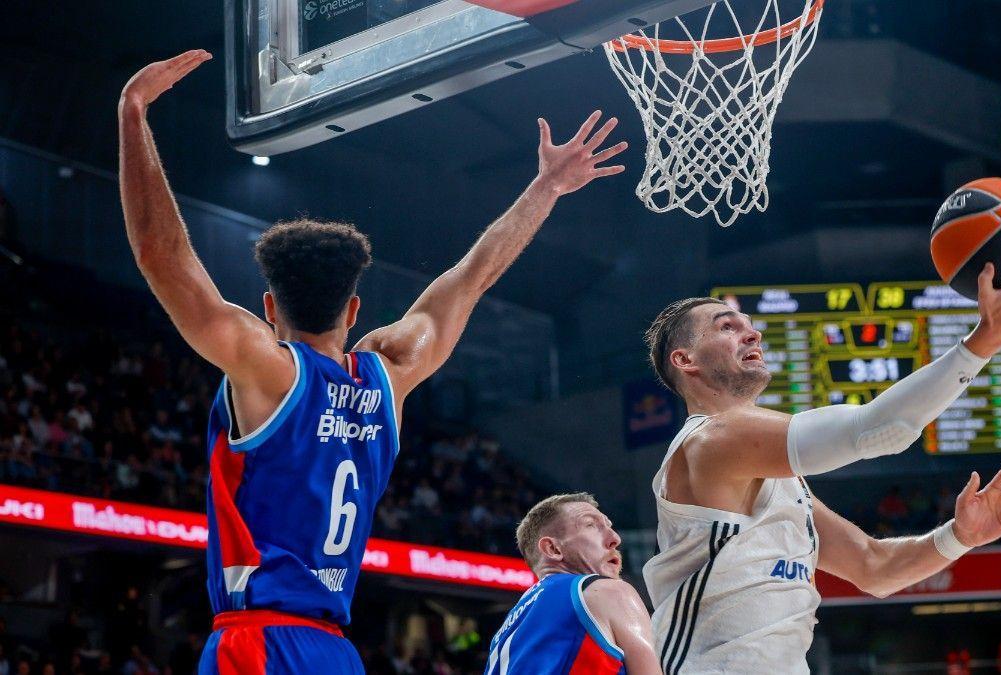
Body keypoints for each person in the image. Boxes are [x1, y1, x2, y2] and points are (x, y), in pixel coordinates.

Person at [117, 50, 627, 674]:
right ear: (355, 309)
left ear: (269, 305)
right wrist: (547, 186)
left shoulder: (268, 370)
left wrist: (133, 114)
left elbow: (161, 255)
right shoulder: (389, 374)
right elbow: (471, 279)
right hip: (335, 650)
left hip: (257, 641)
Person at [641, 242, 1001, 673]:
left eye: (749, 325)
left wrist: (959, 536)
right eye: (727, 327)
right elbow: (879, 429)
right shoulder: (713, 438)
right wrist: (986, 339)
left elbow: (874, 567)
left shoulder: (780, 482)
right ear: (684, 360)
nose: (753, 334)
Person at [487, 493, 660, 674]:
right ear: (553, 549)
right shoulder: (607, 591)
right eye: (591, 525)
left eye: (609, 526)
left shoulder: (501, 639)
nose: (615, 538)